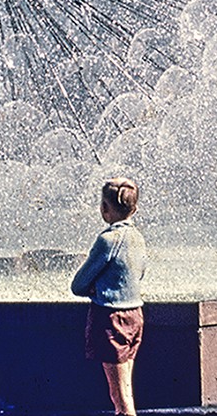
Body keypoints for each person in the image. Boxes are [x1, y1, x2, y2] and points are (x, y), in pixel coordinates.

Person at [71, 178, 146, 416]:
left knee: (119, 398)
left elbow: (78, 284)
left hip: (112, 318)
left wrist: (95, 288)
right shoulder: (138, 238)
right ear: (134, 209)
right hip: (135, 316)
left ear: (104, 208)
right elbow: (139, 273)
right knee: (126, 392)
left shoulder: (107, 240)